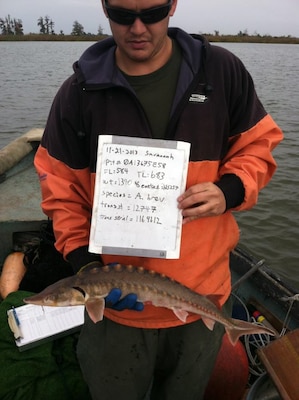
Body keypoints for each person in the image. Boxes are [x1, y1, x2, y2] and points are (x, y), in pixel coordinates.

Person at [34, 0, 283, 399]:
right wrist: (85, 264)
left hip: (202, 292)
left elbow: (258, 146)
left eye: (151, 14)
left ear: (172, 6)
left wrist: (229, 190)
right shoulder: (78, 93)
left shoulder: (221, 72)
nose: (137, 27)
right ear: (103, 7)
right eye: (121, 14)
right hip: (116, 310)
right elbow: (60, 189)